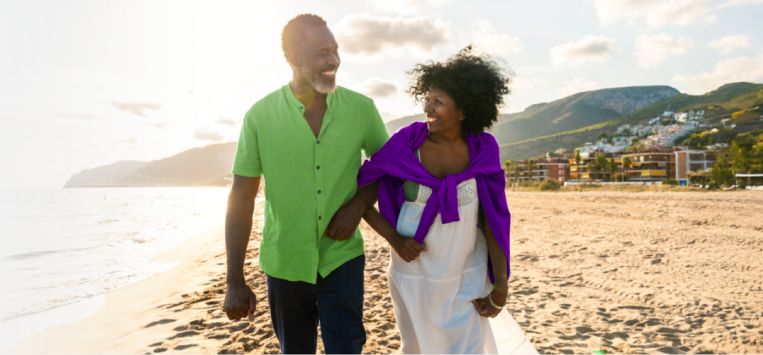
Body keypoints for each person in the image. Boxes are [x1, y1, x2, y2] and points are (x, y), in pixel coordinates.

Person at [222, 14, 389, 354]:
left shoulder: (362, 109)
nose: (334, 60)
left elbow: (389, 169)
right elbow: (241, 197)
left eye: (335, 50)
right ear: (294, 58)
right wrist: (234, 280)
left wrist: (356, 208)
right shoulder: (259, 116)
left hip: (341, 257)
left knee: (347, 348)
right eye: (322, 52)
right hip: (285, 261)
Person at [357, 47, 538, 354]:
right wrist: (395, 239)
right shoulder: (407, 142)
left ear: (464, 110)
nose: (428, 106)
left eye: (438, 101)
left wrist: (502, 283)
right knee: (417, 348)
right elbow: (362, 196)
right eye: (427, 98)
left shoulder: (484, 149)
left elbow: (494, 217)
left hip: (466, 273)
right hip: (413, 274)